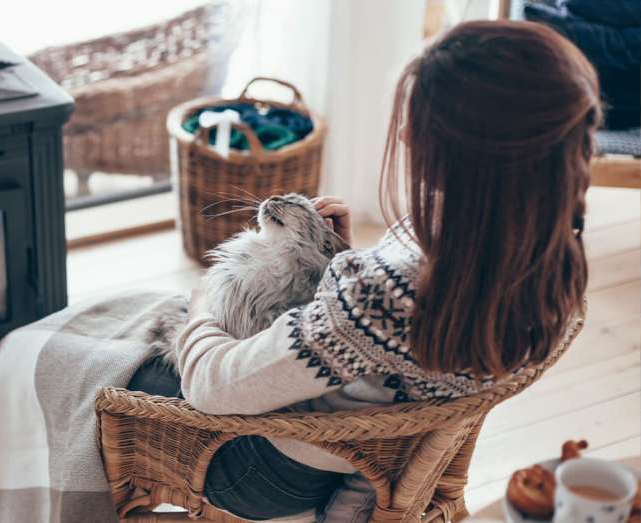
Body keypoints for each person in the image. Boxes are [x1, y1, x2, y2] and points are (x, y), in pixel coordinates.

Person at [126, 19, 600, 521]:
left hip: (266, 472)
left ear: (465, 156)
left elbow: (210, 386)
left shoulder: (388, 293)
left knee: (100, 368)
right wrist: (343, 265)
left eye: (417, 127)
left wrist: (201, 306)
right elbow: (393, 349)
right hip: (371, 459)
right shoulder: (552, 256)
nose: (403, 135)